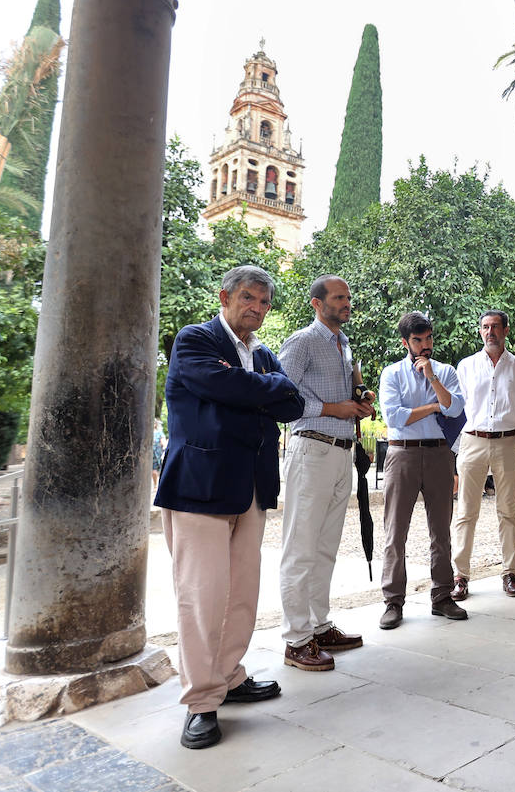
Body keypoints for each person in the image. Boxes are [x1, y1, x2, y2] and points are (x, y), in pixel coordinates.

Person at [155, 265, 304, 750]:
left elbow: (293, 405)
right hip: (201, 486)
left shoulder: (261, 354)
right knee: (201, 597)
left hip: (252, 490)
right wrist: (259, 390)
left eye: (264, 303)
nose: (257, 309)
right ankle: (201, 701)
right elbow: (227, 389)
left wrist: (252, 391)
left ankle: (230, 675)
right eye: (248, 298)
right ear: (225, 296)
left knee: (241, 594)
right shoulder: (195, 340)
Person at [277, 275, 373, 672]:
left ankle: (319, 625)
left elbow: (349, 389)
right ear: (318, 304)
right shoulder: (302, 341)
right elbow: (281, 393)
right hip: (311, 448)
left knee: (325, 546)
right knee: (300, 547)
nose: (346, 302)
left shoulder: (344, 344)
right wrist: (333, 409)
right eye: (339, 297)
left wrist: (360, 397)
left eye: (348, 296)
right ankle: (296, 639)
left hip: (341, 453)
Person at [378, 311, 467, 627]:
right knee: (395, 532)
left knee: (440, 530)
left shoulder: (445, 371)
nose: (425, 345)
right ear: (406, 342)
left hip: (439, 454)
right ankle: (393, 602)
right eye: (418, 340)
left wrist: (432, 378)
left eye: (429, 338)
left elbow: (455, 408)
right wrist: (432, 407)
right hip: (402, 455)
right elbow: (394, 418)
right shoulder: (392, 374)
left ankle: (442, 596)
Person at [451, 310, 515, 600]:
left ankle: (510, 573)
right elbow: (459, 407)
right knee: (466, 512)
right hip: (472, 440)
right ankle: (460, 577)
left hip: (507, 441)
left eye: (496, 327)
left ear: (506, 330)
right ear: (479, 331)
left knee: (508, 511)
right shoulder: (467, 366)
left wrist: (509, 428)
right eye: (485, 327)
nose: (490, 332)